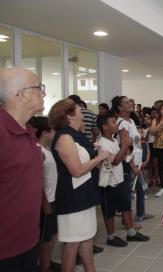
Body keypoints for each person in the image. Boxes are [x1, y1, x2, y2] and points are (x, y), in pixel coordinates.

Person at [48, 99, 109, 272]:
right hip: (73, 198)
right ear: (68, 115)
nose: (83, 113)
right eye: (79, 110)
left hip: (84, 195)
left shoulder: (77, 134)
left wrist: (99, 154)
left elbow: (86, 157)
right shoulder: (65, 137)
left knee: (87, 238)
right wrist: (99, 158)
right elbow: (76, 170)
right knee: (73, 243)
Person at [0, 68, 44, 272]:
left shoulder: (28, 130)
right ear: (23, 94)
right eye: (39, 88)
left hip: (28, 241)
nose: (43, 93)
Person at [111, 96, 150, 241]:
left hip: (136, 161)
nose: (131, 104)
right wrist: (132, 165)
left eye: (131, 102)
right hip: (127, 163)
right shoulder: (121, 123)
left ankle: (130, 223)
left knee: (135, 189)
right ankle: (129, 227)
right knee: (127, 193)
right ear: (119, 107)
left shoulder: (131, 121)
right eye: (127, 102)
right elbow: (125, 146)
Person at [96, 112, 135, 247]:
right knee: (109, 210)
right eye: (113, 122)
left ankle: (131, 233)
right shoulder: (101, 143)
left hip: (119, 179)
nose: (116, 124)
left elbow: (122, 157)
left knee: (125, 206)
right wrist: (125, 145)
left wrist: (132, 164)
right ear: (105, 127)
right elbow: (115, 161)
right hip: (109, 183)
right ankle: (111, 237)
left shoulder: (113, 140)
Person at [29, 117, 58, 272]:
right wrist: (45, 202)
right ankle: (44, 266)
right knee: (45, 238)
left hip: (52, 198)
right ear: (46, 133)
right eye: (52, 130)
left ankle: (48, 262)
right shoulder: (38, 152)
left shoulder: (46, 150)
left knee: (52, 234)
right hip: (46, 201)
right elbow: (36, 180)